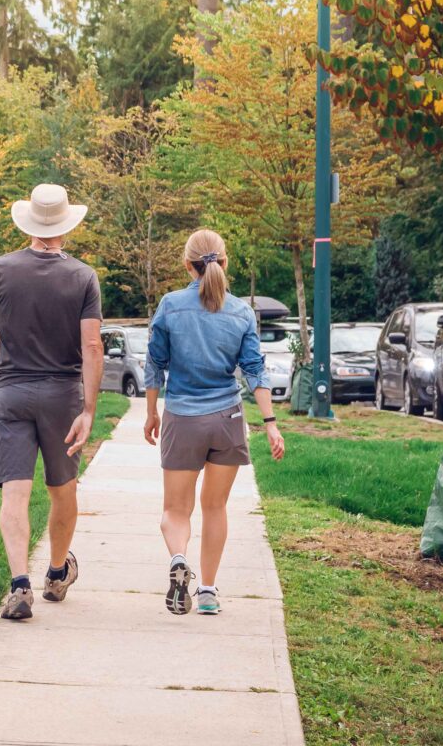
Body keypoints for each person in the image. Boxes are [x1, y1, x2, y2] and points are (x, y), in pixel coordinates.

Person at [0, 183, 104, 621]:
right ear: (67, 225)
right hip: (63, 397)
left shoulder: (0, 269)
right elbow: (93, 347)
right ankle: (58, 573)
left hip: (11, 394)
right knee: (62, 490)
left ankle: (19, 584)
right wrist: (88, 411)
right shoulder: (83, 277)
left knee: (15, 492)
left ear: (28, 222)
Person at [143, 228, 285, 616]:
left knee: (175, 510)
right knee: (215, 507)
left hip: (183, 418)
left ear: (187, 265)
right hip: (227, 419)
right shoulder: (241, 311)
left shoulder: (170, 306)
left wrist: (151, 411)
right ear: (225, 262)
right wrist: (270, 422)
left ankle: (177, 558)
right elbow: (254, 369)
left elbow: (154, 362)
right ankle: (206, 591)